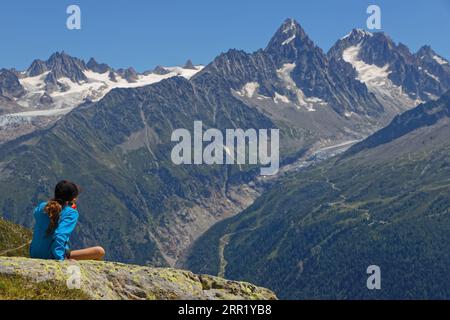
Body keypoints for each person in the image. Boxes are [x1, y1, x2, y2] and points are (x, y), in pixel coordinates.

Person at [30, 180, 105, 261]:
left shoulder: (42, 206)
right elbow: (59, 235)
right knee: (99, 251)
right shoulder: (71, 213)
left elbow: (38, 213)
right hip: (52, 255)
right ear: (73, 198)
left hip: (34, 253)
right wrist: (61, 259)